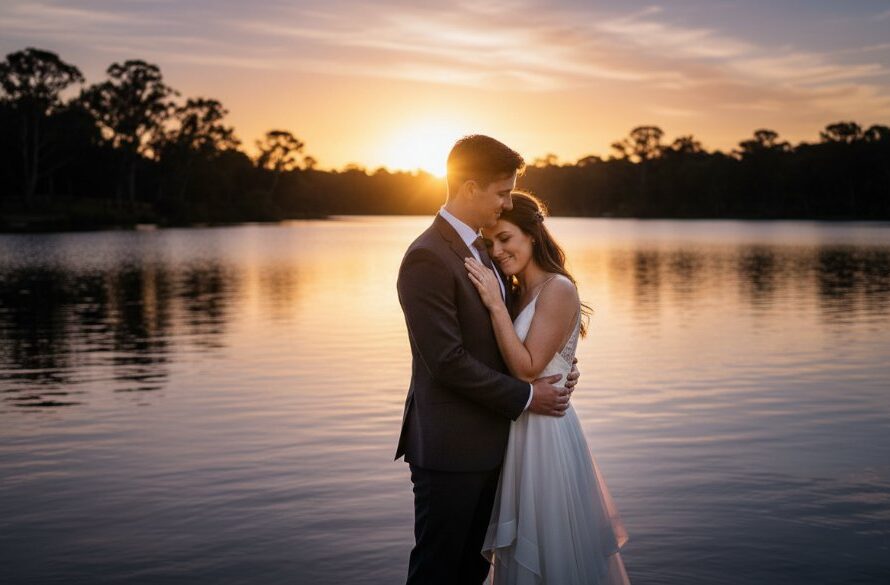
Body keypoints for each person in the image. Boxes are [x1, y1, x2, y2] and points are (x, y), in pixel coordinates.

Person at [395, 135, 580, 585]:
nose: (508, 201)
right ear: (470, 187)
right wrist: (526, 396)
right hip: (451, 449)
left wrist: (557, 363)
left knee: (472, 572)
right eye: (502, 192)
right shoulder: (427, 257)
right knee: (438, 572)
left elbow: (512, 333)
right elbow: (448, 361)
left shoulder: (484, 250)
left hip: (499, 445)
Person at [464, 190, 630, 584]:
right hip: (520, 429)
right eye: (490, 244)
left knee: (551, 550)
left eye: (506, 238)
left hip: (547, 435)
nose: (498, 251)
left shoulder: (558, 289)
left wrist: (494, 305)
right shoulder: (518, 292)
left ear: (532, 235)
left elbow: (527, 369)